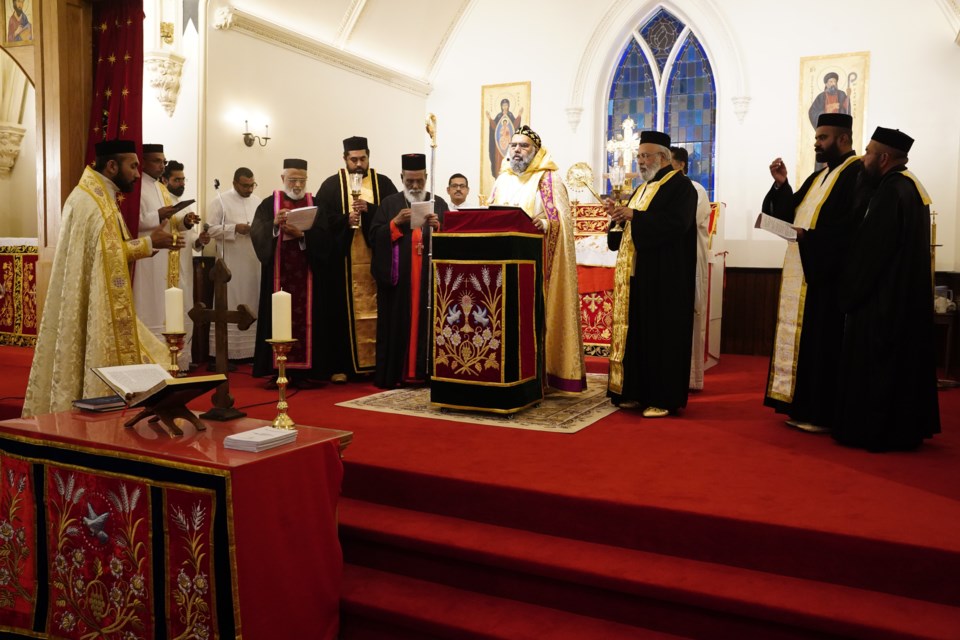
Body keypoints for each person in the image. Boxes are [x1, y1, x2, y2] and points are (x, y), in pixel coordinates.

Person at [22, 140, 180, 416]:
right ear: (111, 166)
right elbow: (105, 255)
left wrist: (149, 244)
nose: (135, 173)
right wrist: (146, 243)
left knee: (156, 361)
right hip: (92, 300)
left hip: (101, 295)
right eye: (132, 166)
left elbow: (105, 252)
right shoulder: (90, 201)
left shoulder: (100, 195)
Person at [833, 127, 940, 451]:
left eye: (867, 152)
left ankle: (873, 431)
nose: (862, 158)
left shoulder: (891, 192)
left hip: (883, 302)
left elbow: (872, 252)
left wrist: (849, 293)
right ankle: (902, 429)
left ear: (883, 158)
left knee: (877, 368)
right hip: (905, 297)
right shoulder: (910, 186)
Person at [762, 113, 864, 433]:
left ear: (843, 139)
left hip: (829, 275)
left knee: (824, 343)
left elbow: (853, 227)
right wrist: (781, 184)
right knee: (807, 343)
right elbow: (788, 211)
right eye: (817, 138)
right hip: (806, 271)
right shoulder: (819, 176)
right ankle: (802, 405)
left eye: (822, 138)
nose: (816, 143)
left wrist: (812, 238)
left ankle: (821, 412)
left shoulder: (856, 173)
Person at [605, 130, 697, 417]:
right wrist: (617, 217)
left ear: (664, 157)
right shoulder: (641, 189)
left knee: (662, 336)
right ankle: (635, 392)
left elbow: (675, 225)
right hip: (638, 277)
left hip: (666, 278)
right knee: (639, 335)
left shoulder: (681, 187)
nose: (641, 162)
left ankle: (662, 397)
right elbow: (627, 232)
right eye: (639, 156)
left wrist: (635, 216)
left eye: (646, 156)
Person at [491, 125, 586, 393]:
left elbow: (563, 219)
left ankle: (541, 375)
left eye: (524, 147)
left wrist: (547, 223)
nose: (517, 151)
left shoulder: (549, 179)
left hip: (537, 264)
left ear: (536, 152)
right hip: (504, 264)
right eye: (514, 146)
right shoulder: (502, 179)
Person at [314, 136, 398, 383]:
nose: (359, 163)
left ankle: (377, 364)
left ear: (369, 156)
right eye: (354, 159)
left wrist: (370, 211)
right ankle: (342, 366)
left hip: (377, 264)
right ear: (345, 159)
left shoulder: (384, 184)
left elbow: (393, 217)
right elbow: (320, 222)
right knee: (340, 315)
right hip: (342, 265)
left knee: (380, 312)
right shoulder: (331, 186)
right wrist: (345, 220)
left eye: (363, 158)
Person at [369, 153, 447, 389]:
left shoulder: (439, 203)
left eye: (419, 181)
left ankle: (428, 373)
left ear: (426, 178)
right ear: (402, 177)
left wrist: (439, 228)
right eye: (409, 181)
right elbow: (374, 236)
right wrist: (393, 224)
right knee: (396, 324)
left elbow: (454, 239)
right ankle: (396, 373)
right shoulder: (390, 204)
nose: (414, 186)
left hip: (428, 281)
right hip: (399, 283)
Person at [251, 158, 324, 387]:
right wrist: (274, 225)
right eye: (292, 179)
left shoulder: (315, 203)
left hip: (307, 276)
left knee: (307, 320)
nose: (297, 184)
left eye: (301, 180)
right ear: (283, 178)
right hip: (277, 275)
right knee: (276, 318)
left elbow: (327, 238)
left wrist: (303, 236)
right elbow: (257, 232)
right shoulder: (268, 204)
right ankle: (278, 370)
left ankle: (304, 373)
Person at [133, 147, 199, 359]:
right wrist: (157, 215)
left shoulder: (160, 189)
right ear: (143, 161)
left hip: (165, 256)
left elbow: (170, 222)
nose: (162, 165)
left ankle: (167, 357)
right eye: (156, 161)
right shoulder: (135, 188)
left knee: (164, 306)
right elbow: (130, 222)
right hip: (146, 255)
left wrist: (184, 222)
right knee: (149, 304)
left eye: (163, 161)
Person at [205, 167, 261, 360]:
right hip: (230, 262)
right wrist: (234, 228)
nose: (249, 189)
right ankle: (224, 352)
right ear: (235, 183)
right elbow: (209, 230)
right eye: (245, 185)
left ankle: (251, 352)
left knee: (252, 300)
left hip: (252, 260)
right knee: (230, 301)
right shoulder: (220, 201)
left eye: (252, 185)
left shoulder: (257, 202)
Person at [670, 146, 711, 390]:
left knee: (691, 312)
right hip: (671, 258)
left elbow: (686, 221)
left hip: (691, 257)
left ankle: (691, 376)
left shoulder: (695, 189)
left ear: (682, 165)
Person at [486, 98, 523, 178]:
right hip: (499, 144)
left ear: (508, 106)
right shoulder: (499, 116)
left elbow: (514, 126)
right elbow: (495, 128)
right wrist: (489, 118)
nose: (505, 106)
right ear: (501, 106)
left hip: (508, 143)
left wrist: (519, 115)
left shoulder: (510, 115)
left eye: (506, 105)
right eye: (503, 105)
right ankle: (498, 176)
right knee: (498, 159)